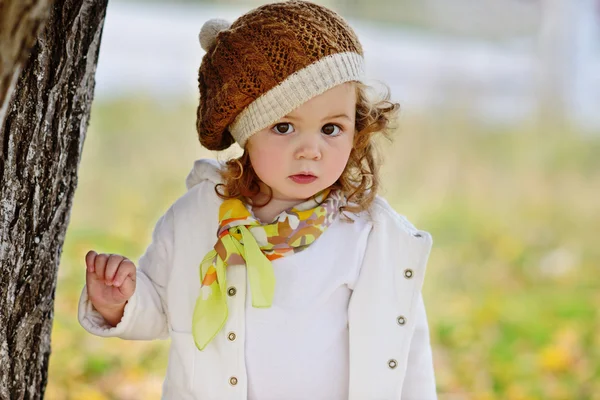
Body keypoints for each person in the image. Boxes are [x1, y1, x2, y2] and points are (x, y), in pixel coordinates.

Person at [78, 1, 437, 399]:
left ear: (358, 126)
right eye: (284, 127)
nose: (311, 150)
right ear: (246, 133)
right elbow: (160, 307)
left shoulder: (368, 235)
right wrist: (120, 301)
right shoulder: (197, 217)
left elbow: (405, 354)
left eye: (331, 128)